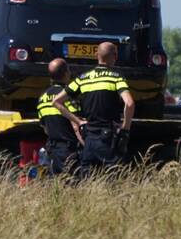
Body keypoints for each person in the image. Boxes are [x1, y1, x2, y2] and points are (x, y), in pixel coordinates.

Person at [52, 42, 135, 176]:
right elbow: (129, 104)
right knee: (115, 180)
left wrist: (78, 122)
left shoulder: (82, 78)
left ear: (97, 56)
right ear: (115, 56)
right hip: (109, 138)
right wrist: (125, 129)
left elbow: (56, 101)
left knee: (88, 182)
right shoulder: (116, 77)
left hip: (89, 138)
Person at [36, 58, 83, 175]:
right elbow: (76, 125)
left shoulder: (42, 98)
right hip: (68, 148)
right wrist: (86, 145)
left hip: (52, 149)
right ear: (67, 73)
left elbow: (45, 128)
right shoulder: (66, 95)